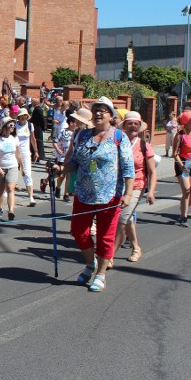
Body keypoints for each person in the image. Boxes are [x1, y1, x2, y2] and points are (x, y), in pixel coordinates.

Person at [57, 97, 135, 293]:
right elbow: (74, 162)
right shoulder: (82, 135)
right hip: (83, 193)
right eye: (96, 110)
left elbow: (128, 167)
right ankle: (90, 264)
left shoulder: (119, 137)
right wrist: (60, 169)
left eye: (104, 110)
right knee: (78, 231)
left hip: (110, 195)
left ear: (111, 115)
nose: (99, 113)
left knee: (105, 237)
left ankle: (100, 274)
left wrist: (128, 193)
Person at [112, 111, 157, 265]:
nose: (133, 126)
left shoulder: (144, 146)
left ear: (140, 127)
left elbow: (152, 172)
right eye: (129, 123)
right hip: (119, 186)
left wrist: (151, 191)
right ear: (124, 126)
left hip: (137, 185)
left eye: (136, 124)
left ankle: (109, 257)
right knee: (128, 217)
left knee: (122, 219)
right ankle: (136, 248)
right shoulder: (117, 143)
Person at [0, 117, 23, 219]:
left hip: (12, 166)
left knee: (10, 188)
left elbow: (18, 154)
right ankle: (0, 208)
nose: (12, 126)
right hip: (0, 167)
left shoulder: (15, 139)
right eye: (10, 125)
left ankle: (11, 211)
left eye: (13, 125)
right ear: (4, 126)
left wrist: (22, 167)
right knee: (0, 189)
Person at [15, 108, 38, 206]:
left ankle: (31, 197)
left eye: (25, 116)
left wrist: (36, 151)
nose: (24, 117)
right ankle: (6, 193)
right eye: (22, 116)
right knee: (12, 173)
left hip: (25, 152)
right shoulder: (14, 125)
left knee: (27, 174)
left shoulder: (29, 125)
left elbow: (33, 138)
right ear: (19, 116)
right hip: (15, 152)